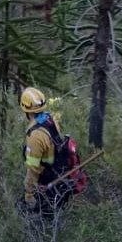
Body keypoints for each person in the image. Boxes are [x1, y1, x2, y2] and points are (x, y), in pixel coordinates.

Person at [20, 86, 77, 215]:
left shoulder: (35, 136)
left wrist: (29, 194)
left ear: (26, 110)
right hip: (59, 174)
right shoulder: (50, 119)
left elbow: (33, 170)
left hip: (46, 181)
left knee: (38, 216)